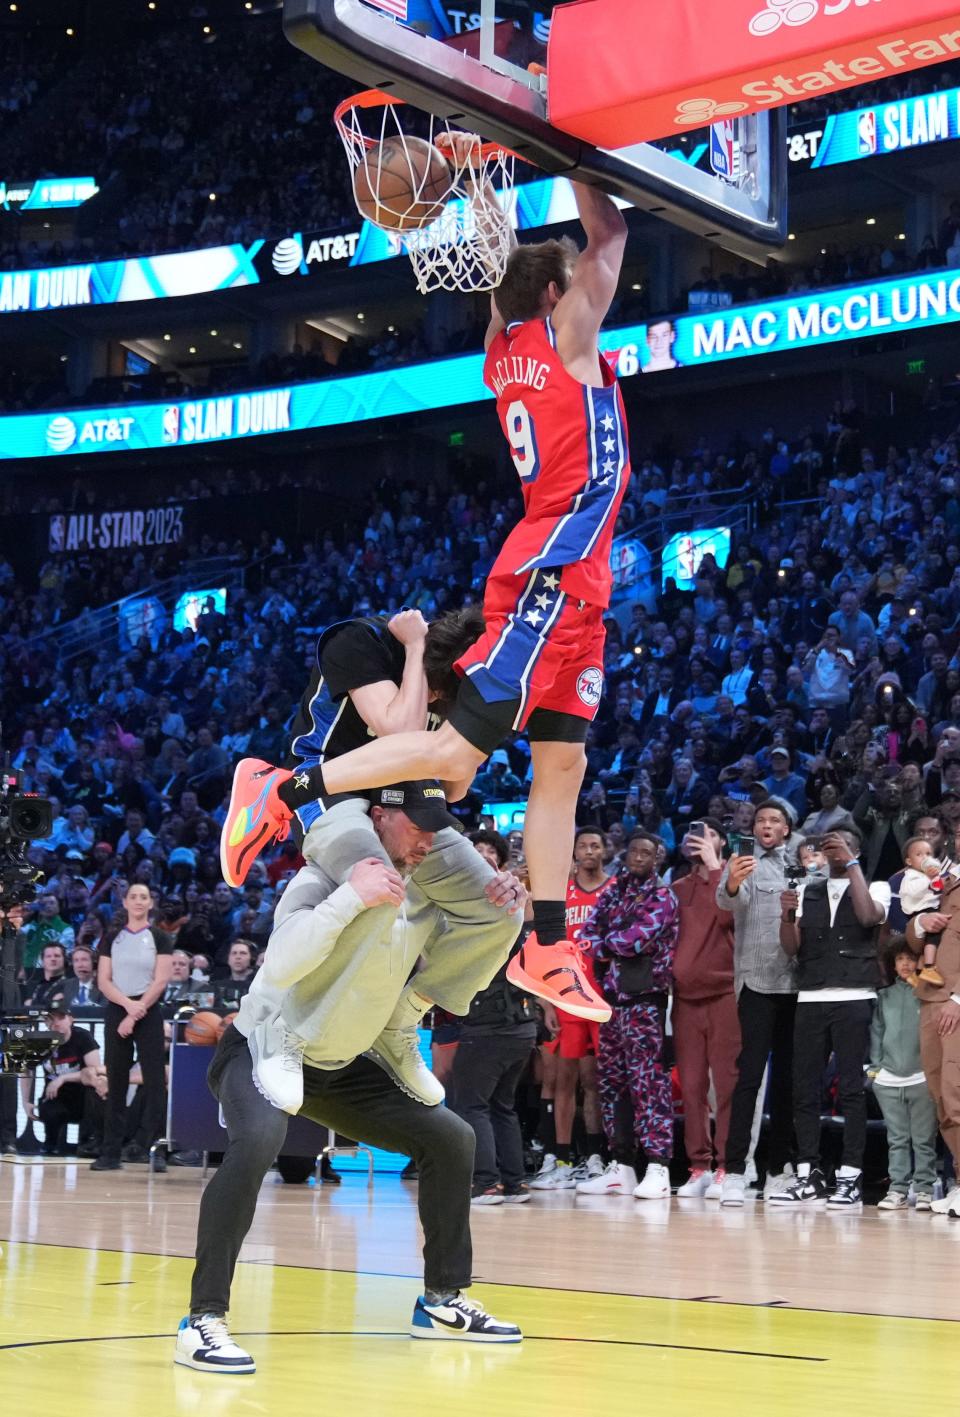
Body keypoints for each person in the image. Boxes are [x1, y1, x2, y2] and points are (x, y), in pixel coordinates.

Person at [222, 179, 633, 1025]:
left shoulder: (504, 347)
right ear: (556, 298)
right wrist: (579, 158)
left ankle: (547, 942)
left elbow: (508, 287)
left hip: (577, 582)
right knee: (451, 758)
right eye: (565, 287)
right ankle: (283, 790)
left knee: (563, 763)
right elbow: (610, 236)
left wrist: (500, 216)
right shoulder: (566, 336)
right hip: (552, 568)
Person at [176, 782, 523, 1374]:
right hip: (263, 1043)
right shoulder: (318, 879)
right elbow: (281, 962)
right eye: (416, 826)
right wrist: (351, 899)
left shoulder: (423, 889)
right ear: (379, 819)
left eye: (437, 828)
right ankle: (203, 1318)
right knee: (260, 1140)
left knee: (453, 1137)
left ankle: (443, 1299)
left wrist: (500, 895)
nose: (428, 841)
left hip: (340, 1062)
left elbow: (475, 934)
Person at [775, 829, 888, 1207]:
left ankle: (851, 1176)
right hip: (810, 995)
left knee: (852, 1088)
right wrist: (787, 913)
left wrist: (851, 864)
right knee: (805, 1087)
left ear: (856, 851)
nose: (834, 851)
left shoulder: (878, 887)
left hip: (854, 995)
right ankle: (809, 1172)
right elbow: (792, 948)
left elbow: (868, 916)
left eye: (843, 846)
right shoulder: (809, 890)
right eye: (830, 847)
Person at [577, 831, 678, 1201]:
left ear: (657, 858)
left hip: (645, 1001)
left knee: (649, 1085)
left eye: (646, 852)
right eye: (633, 850)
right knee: (612, 1084)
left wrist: (605, 944)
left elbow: (637, 940)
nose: (637, 857)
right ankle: (621, 1166)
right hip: (611, 1002)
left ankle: (658, 1166)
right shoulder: (615, 891)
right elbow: (587, 932)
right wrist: (604, 944)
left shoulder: (662, 896)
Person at [716, 801, 798, 1208]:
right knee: (748, 1078)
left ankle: (777, 1171)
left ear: (787, 829)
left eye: (775, 821)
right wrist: (732, 880)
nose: (767, 825)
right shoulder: (742, 860)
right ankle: (734, 1170)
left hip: (797, 985)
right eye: (762, 820)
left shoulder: (803, 861)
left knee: (786, 1081)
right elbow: (728, 903)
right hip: (755, 982)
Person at [452, 835, 536, 1205]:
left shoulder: (481, 903)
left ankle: (485, 1182)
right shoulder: (515, 904)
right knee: (502, 1105)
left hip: (490, 1022)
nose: (483, 856)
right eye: (477, 850)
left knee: (472, 1104)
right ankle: (515, 1183)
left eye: (490, 853)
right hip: (521, 1023)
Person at [531, 826, 611, 1191]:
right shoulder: (560, 894)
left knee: (595, 1081)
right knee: (563, 1081)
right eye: (584, 845)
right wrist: (545, 999)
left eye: (596, 845)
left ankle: (595, 1157)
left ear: (605, 852)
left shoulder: (613, 890)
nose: (590, 851)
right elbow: (544, 948)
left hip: (602, 999)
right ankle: (560, 1157)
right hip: (564, 997)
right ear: (575, 852)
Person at [670, 820, 739, 1200]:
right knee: (692, 1085)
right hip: (684, 998)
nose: (699, 839)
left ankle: (727, 1166)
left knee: (725, 1085)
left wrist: (716, 867)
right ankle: (699, 1166)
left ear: (723, 843)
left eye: (709, 834)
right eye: (693, 832)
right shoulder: (677, 889)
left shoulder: (732, 881)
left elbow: (728, 917)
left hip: (725, 993)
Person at [92, 882, 173, 1171]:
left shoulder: (160, 937)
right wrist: (128, 1007)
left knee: (155, 1082)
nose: (139, 901)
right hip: (119, 1007)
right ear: (124, 902)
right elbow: (103, 980)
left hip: (148, 1011)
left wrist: (135, 1012)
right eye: (133, 897)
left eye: (144, 897)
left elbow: (161, 980)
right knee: (116, 1081)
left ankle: (156, 1149)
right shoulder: (112, 937)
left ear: (151, 904)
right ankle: (110, 1152)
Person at [871, 938, 940, 1211]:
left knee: (924, 1138)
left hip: (921, 1077)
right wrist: (875, 1069)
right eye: (900, 959)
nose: (906, 964)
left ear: (921, 961)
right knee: (896, 1139)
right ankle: (898, 1188)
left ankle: (924, 1189)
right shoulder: (884, 996)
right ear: (893, 963)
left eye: (911, 959)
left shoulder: (928, 995)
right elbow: (876, 1032)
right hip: (888, 1079)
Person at [905, 890, 960, 1215]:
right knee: (940, 1095)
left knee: (956, 1093)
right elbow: (912, 941)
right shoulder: (942, 881)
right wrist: (921, 922)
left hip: (954, 1001)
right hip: (930, 996)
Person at [19, 1002, 102, 1156]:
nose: (56, 1023)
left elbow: (95, 1071)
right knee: (48, 1108)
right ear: (45, 1023)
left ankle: (89, 1142)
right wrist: (25, 1101)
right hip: (56, 1097)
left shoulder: (83, 1037)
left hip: (82, 1096)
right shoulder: (40, 1042)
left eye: (61, 1018)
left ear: (71, 1019)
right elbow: (25, 1069)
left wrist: (63, 1078)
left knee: (96, 1089)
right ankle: (51, 1142)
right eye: (51, 1019)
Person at [899, 837, 954, 986]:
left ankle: (917, 972)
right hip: (919, 910)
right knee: (933, 937)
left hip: (929, 908)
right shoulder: (910, 876)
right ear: (909, 861)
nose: (925, 858)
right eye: (919, 854)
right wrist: (930, 879)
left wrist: (935, 879)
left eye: (929, 854)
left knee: (929, 943)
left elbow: (936, 889)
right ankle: (929, 967)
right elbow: (913, 891)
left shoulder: (927, 875)